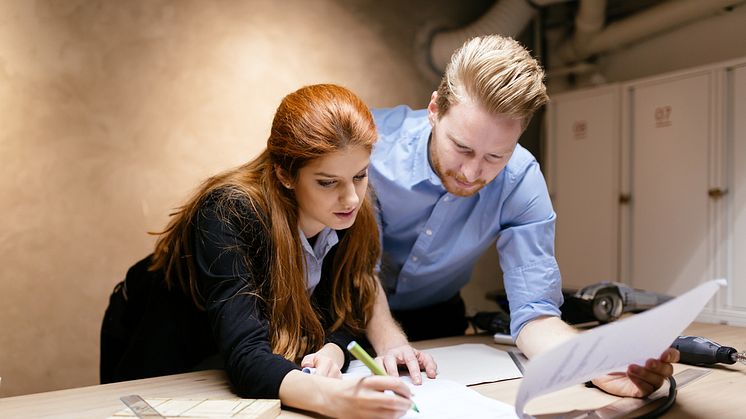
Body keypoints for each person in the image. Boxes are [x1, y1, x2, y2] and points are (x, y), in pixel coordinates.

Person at [364, 35, 679, 398]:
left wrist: (593, 363)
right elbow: (360, 271)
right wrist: (388, 343)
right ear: (435, 110)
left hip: (438, 316)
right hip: (351, 312)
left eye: (495, 157)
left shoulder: (521, 180)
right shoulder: (373, 149)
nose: (471, 172)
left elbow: (535, 313)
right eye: (461, 147)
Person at [100, 84, 432, 418]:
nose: (351, 199)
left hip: (241, 368)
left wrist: (333, 351)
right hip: (166, 346)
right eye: (327, 182)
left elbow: (346, 306)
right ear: (285, 174)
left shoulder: (347, 212)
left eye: (359, 176)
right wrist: (334, 398)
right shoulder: (226, 213)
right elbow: (245, 356)